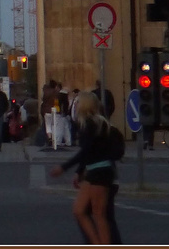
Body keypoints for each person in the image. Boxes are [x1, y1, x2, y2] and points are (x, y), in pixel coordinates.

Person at [49, 92, 115, 244]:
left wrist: (64, 167)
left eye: (78, 102)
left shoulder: (91, 124)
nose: (75, 105)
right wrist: (79, 171)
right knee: (80, 210)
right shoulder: (95, 123)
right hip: (94, 170)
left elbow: (86, 151)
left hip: (100, 171)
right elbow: (89, 151)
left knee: (98, 214)